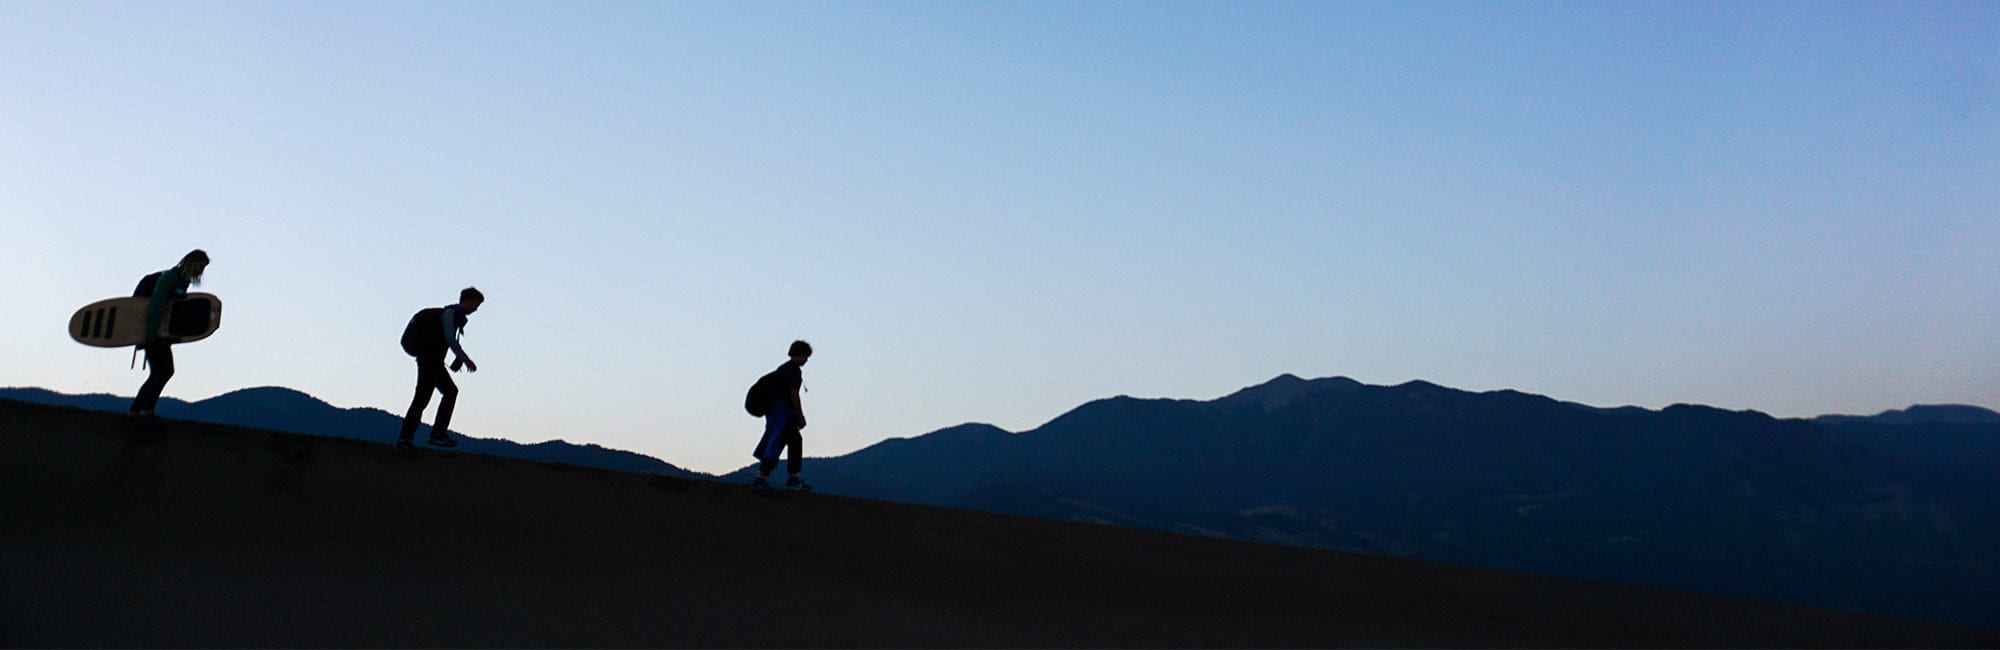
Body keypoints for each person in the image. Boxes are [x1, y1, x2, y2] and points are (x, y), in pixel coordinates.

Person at [396, 287, 483, 451]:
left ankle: (427, 436)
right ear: (467, 301)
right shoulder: (450, 314)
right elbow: (450, 339)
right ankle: (410, 439)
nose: (476, 309)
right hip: (430, 361)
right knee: (424, 398)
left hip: (432, 361)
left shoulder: (454, 316)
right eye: (475, 304)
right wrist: (466, 360)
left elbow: (446, 340)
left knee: (443, 393)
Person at [130, 249, 209, 419]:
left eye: (203, 268)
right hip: (152, 333)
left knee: (162, 371)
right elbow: (156, 305)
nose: (200, 271)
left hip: (162, 335)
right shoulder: (169, 277)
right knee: (163, 371)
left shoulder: (182, 282)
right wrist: (149, 335)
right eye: (199, 266)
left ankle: (138, 410)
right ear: (191, 262)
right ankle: (143, 410)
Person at [751, 340, 813, 491]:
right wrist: (801, 416)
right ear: (800, 355)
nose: (806, 360)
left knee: (784, 441)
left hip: (776, 414)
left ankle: (769, 477)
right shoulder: (793, 371)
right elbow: (793, 394)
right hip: (784, 414)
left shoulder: (783, 369)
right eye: (805, 356)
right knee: (787, 441)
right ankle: (781, 478)